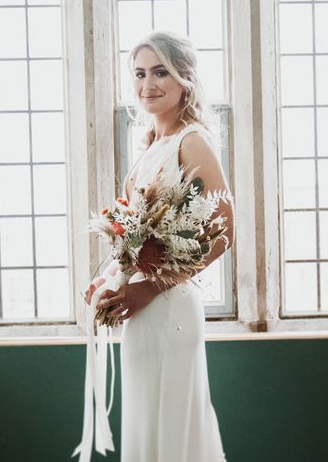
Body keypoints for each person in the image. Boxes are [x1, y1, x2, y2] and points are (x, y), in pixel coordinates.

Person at [84, 30, 234, 462]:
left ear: (185, 78)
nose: (147, 84)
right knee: (146, 425)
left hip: (168, 308)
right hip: (141, 310)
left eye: (160, 72)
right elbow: (135, 242)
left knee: (171, 426)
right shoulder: (152, 146)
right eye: (139, 73)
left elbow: (224, 230)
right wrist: (107, 284)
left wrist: (147, 289)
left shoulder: (193, 141)